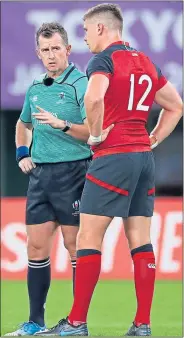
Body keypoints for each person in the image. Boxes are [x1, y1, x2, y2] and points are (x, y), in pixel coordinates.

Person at [35, 4, 183, 337]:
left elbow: (94, 98)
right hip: (143, 159)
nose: (84, 39)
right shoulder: (145, 61)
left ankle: (76, 323)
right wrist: (154, 137)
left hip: (113, 156)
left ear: (102, 29)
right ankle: (142, 325)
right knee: (141, 241)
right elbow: (176, 106)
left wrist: (98, 133)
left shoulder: (103, 60)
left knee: (89, 236)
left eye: (86, 31)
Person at [5, 21, 112, 337]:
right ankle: (35, 323)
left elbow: (94, 135)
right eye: (45, 50)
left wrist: (61, 124)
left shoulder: (82, 85)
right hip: (40, 176)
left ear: (68, 49)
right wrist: (22, 152)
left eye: (56, 49)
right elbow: (23, 124)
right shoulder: (36, 86)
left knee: (74, 247)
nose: (51, 55)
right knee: (36, 247)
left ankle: (78, 322)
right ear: (38, 53)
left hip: (75, 173)